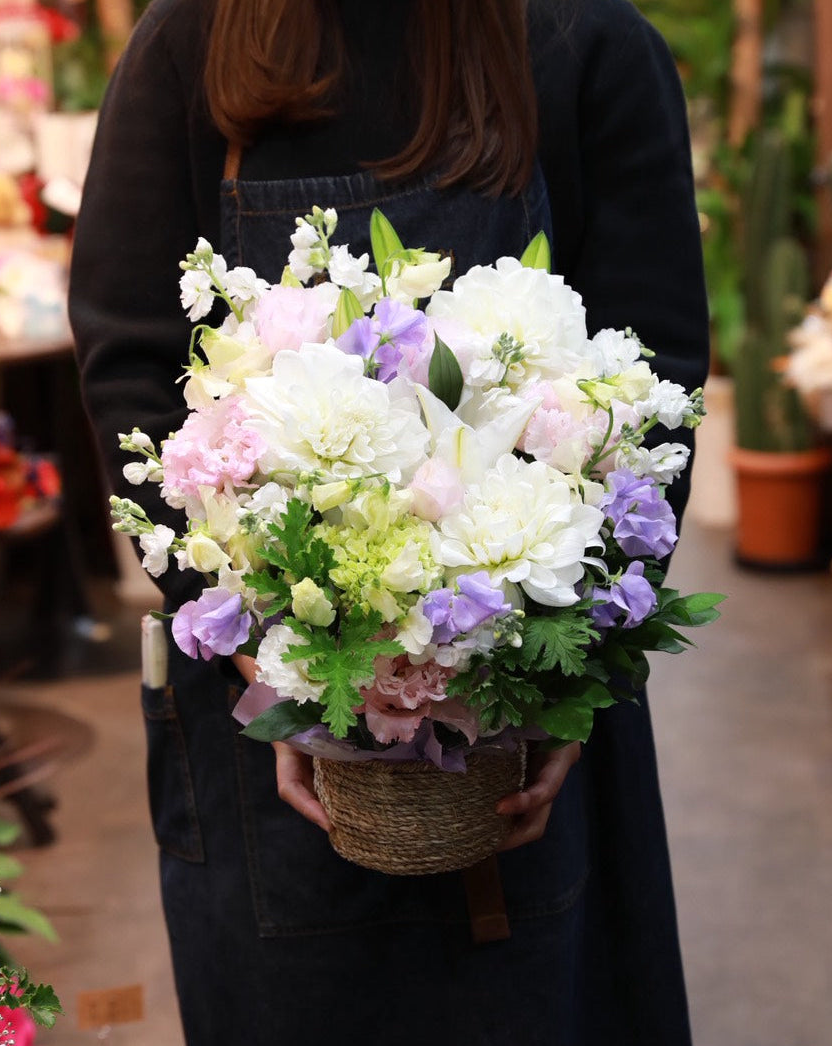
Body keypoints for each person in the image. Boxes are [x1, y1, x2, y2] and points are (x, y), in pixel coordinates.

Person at [69, 0, 710, 1042]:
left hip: (526, 715)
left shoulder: (584, 44)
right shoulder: (190, 46)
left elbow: (657, 365)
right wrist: (278, 676)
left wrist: (557, 686)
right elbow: (130, 361)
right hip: (265, 730)